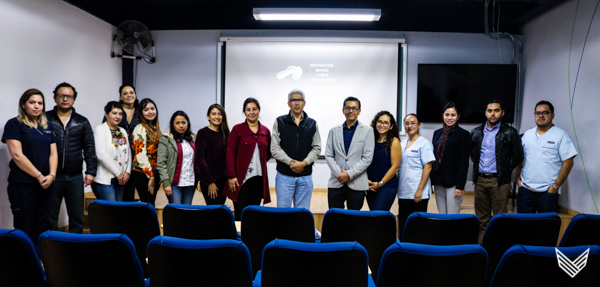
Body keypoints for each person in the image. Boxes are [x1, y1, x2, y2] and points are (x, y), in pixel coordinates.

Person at [2, 89, 57, 255]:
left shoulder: (47, 127)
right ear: (23, 104)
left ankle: (39, 261)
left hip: (46, 184)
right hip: (23, 184)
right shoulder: (14, 124)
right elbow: (18, 155)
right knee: (24, 225)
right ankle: (23, 263)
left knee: (41, 225)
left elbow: (53, 153)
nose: (37, 106)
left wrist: (52, 176)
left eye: (40, 103)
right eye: (32, 102)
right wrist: (39, 176)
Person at [46, 82, 97, 234]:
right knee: (50, 216)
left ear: (74, 100)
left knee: (77, 217)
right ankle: (53, 248)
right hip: (52, 175)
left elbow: (89, 147)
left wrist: (91, 171)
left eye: (69, 96)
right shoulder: (45, 118)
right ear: (55, 98)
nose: (65, 99)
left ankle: (75, 249)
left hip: (75, 176)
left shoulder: (82, 121)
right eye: (61, 96)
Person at [470, 99, 523, 235]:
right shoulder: (476, 132)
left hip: (499, 181)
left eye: (496, 110)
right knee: (482, 220)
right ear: (486, 113)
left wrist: (505, 168)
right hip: (480, 181)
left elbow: (518, 156)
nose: (493, 114)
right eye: (490, 111)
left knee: (500, 220)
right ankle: (482, 252)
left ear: (502, 112)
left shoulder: (510, 132)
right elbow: (472, 154)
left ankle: (499, 252)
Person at [516, 100, 577, 213]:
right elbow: (519, 159)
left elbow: (568, 162)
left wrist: (555, 186)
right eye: (538, 113)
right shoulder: (527, 135)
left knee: (545, 226)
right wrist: (518, 179)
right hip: (525, 190)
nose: (541, 116)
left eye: (545, 112)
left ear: (552, 115)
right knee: (523, 226)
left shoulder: (560, 135)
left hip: (547, 193)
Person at [271, 89, 321, 209]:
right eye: (293, 100)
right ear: (288, 103)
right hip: (284, 177)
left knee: (302, 215)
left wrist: (303, 163)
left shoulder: (312, 123)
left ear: (304, 103)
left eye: (300, 100)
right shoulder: (280, 121)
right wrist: (291, 163)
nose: (297, 103)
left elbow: (317, 148)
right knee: (283, 214)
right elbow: (274, 148)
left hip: (305, 177)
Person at [225, 98, 272, 220]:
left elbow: (269, 153)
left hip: (258, 179)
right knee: (241, 213)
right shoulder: (237, 129)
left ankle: (252, 238)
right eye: (248, 110)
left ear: (259, 110)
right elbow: (230, 153)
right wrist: (231, 176)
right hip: (240, 179)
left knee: (254, 213)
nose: (251, 112)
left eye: (254, 109)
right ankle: (239, 238)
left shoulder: (266, 131)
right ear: (244, 112)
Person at [325, 97, 374, 210]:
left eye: (354, 108)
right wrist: (341, 174)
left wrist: (349, 174)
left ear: (359, 111)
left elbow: (367, 158)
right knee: (335, 218)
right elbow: (329, 155)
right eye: (348, 108)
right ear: (343, 110)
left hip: (357, 184)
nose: (350, 111)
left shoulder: (368, 131)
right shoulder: (333, 131)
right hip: (336, 182)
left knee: (353, 221)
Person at [397, 114, 435, 236]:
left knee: (417, 226)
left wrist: (419, 190)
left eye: (413, 123)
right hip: (403, 192)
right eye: (407, 123)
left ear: (419, 125)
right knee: (403, 224)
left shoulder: (425, 143)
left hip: (418, 193)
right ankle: (403, 250)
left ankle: (417, 251)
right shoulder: (402, 144)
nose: (410, 126)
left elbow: (428, 167)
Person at [431, 102, 471, 214]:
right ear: (443, 115)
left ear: (458, 116)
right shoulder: (437, 133)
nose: (449, 118)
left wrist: (460, 186)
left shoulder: (464, 134)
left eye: (453, 115)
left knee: (452, 215)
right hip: (438, 180)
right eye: (447, 114)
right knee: (442, 214)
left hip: (454, 182)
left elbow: (464, 162)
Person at [92, 101, 131, 201]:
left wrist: (128, 171)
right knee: (110, 212)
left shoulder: (123, 131)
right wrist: (118, 173)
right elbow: (101, 154)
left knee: (117, 211)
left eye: (120, 114)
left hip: (121, 179)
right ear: (106, 115)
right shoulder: (100, 129)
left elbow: (129, 153)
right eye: (114, 113)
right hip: (105, 181)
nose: (117, 116)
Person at [157, 111, 196, 205]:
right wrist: (166, 183)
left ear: (188, 123)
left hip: (190, 182)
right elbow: (161, 163)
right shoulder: (165, 139)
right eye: (177, 123)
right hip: (174, 184)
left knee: (187, 211)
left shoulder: (193, 138)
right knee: (176, 212)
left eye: (183, 122)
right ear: (172, 124)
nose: (181, 126)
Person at [366, 111, 401, 211]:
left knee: (379, 216)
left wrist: (380, 183)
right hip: (371, 185)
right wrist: (367, 182)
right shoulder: (370, 140)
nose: (382, 125)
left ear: (391, 126)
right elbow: (364, 161)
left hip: (387, 185)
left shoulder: (394, 141)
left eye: (386, 123)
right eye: (380, 122)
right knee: (373, 216)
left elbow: (395, 167)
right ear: (375, 123)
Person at [196, 104, 229, 205]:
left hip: (224, 180)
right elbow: (200, 161)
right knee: (213, 212)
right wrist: (210, 182)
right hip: (209, 180)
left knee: (220, 210)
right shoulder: (202, 133)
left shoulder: (226, 133)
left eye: (220, 114)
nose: (217, 117)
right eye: (214, 114)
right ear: (208, 116)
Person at [131, 98, 162, 206]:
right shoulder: (140, 128)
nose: (150, 112)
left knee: (150, 203)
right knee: (148, 204)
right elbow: (141, 155)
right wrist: (151, 176)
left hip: (153, 172)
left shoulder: (155, 128)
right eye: (146, 109)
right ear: (141, 113)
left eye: (152, 109)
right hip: (143, 173)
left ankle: (150, 223)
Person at [118, 84, 139, 201]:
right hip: (119, 154)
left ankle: (128, 216)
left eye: (131, 92)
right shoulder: (115, 110)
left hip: (136, 154)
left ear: (135, 95)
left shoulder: (141, 111)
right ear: (121, 97)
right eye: (125, 93)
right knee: (119, 186)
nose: (129, 95)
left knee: (131, 188)